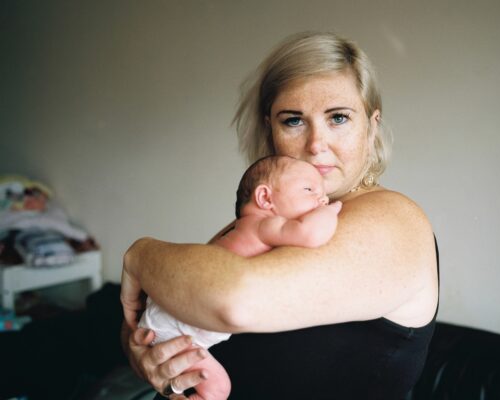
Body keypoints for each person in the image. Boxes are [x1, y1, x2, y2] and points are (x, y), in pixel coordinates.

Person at [121, 31, 439, 399]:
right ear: (270, 129)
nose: (316, 144)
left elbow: (234, 301)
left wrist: (140, 253)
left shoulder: (395, 220)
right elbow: (161, 314)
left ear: (372, 127)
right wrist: (145, 355)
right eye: (293, 120)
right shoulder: (262, 218)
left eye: (338, 118)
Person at [137, 155, 342, 399]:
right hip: (177, 327)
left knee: (215, 386)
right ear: (265, 198)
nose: (322, 198)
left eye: (323, 195)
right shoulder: (262, 227)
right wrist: (333, 210)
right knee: (218, 389)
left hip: (170, 316)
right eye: (309, 189)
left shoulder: (237, 229)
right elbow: (310, 234)